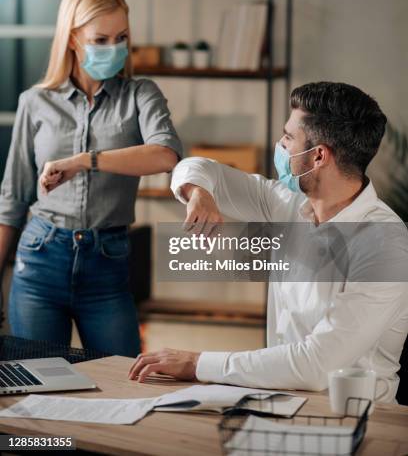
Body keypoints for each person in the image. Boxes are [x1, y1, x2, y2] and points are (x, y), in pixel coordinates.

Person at [128, 82, 408, 402]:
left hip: (359, 417)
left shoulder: (385, 244)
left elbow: (315, 365)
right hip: (280, 400)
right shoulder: (285, 202)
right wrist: (199, 193)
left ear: (318, 156)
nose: (280, 145)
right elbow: (194, 167)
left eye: (288, 138)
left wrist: (197, 363)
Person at [0, 0, 183, 356]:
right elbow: (12, 198)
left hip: (108, 264)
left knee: (124, 384)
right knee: (39, 390)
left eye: (121, 37)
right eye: (101, 40)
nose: (114, 49)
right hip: (39, 260)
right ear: (72, 38)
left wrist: (85, 161)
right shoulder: (35, 102)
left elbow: (165, 155)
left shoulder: (139, 94)